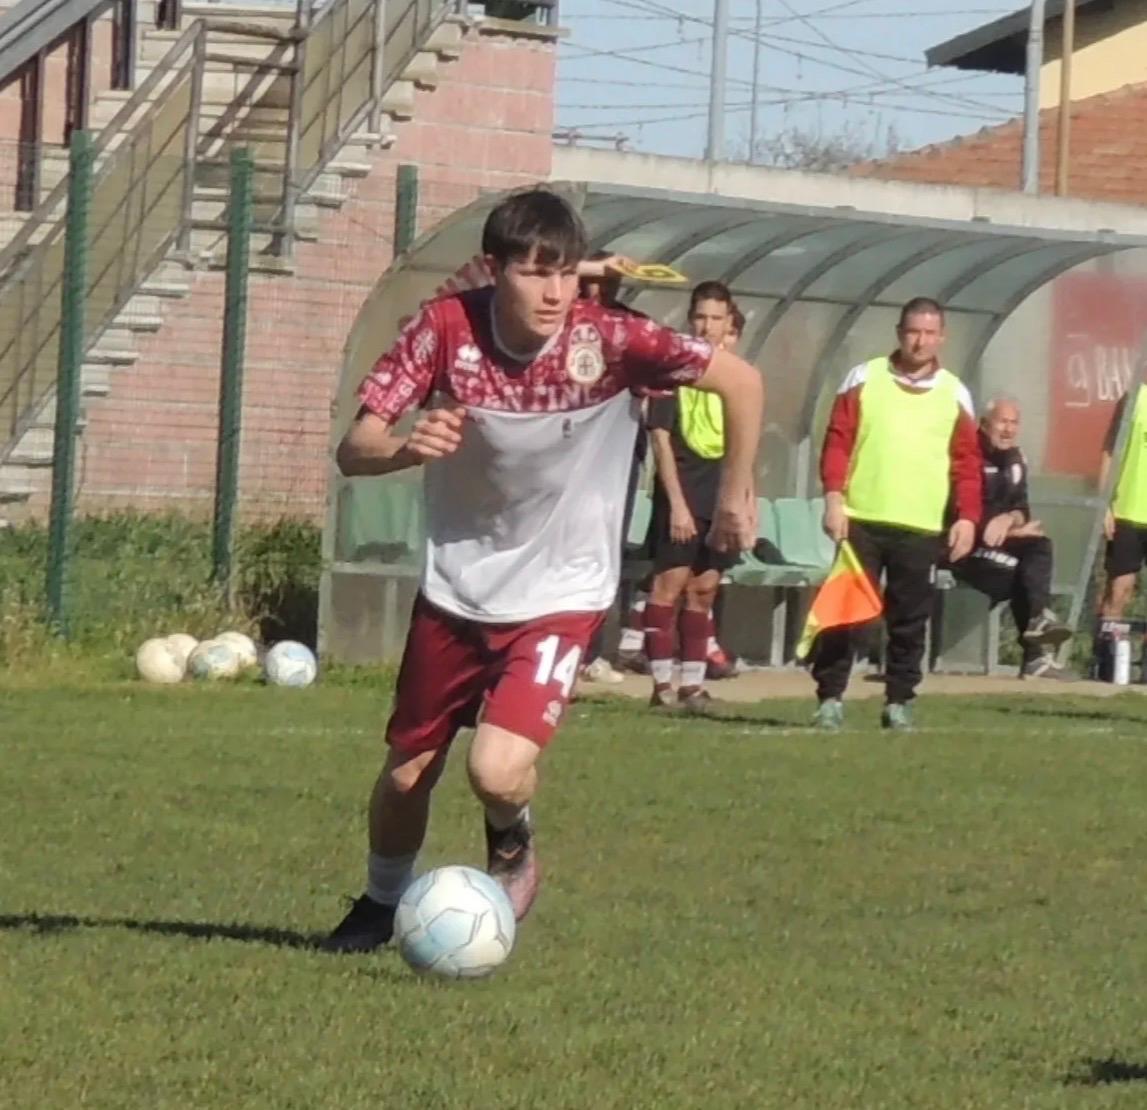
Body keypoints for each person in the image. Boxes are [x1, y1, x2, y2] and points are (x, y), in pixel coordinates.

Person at [323, 188, 763, 953]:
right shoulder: (444, 330)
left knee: (495, 770)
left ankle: (512, 837)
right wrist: (404, 447)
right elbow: (354, 448)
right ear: (495, 270)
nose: (554, 291)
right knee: (405, 774)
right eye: (534, 272)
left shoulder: (611, 338)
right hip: (457, 590)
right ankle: (379, 904)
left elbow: (741, 381)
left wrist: (734, 491)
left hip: (562, 590)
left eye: (564, 272)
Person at [812, 296, 981, 731]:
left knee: (909, 621)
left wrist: (967, 517)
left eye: (929, 333)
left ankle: (899, 701)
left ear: (941, 337)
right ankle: (830, 697)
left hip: (921, 526)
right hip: (861, 518)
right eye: (913, 332)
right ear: (899, 333)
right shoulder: (864, 377)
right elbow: (837, 441)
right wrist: (833, 498)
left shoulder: (955, 393)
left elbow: (967, 463)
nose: (920, 341)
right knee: (846, 614)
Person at [643, 281, 746, 713]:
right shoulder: (672, 372)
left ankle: (692, 685)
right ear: (690, 320)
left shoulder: (737, 375)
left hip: (719, 493)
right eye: (700, 317)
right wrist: (677, 505)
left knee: (704, 588)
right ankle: (661, 684)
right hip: (682, 490)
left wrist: (745, 500)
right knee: (669, 585)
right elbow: (660, 438)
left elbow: (746, 444)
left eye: (716, 319)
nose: (707, 326)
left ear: (729, 324)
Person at [946, 395, 1072, 679]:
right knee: (1021, 574)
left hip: (999, 545)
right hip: (964, 548)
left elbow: (1021, 507)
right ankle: (1035, 655)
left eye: (1014, 423)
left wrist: (1011, 520)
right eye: (1002, 422)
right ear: (984, 424)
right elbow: (962, 515)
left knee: (1039, 546)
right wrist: (1011, 529)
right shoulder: (967, 456)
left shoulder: (1016, 459)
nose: (1008, 430)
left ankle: (1038, 623)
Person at [1098, 382, 1147, 621]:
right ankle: (1108, 643)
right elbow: (1109, 451)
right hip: (1127, 513)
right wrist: (1103, 504)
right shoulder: (1135, 398)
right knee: (1119, 592)